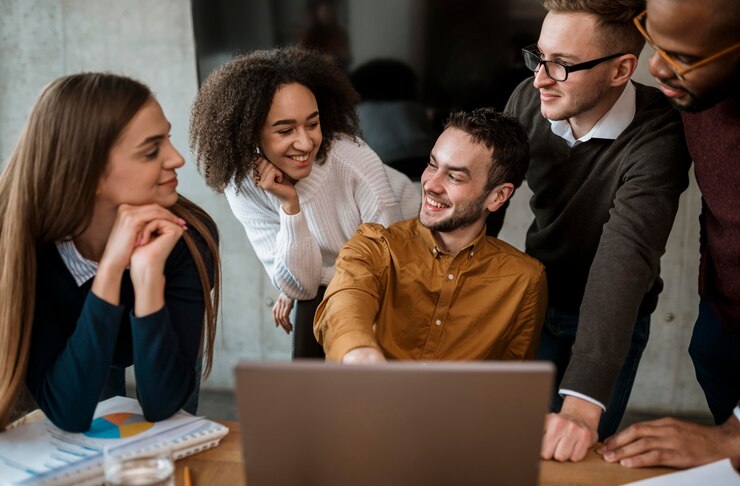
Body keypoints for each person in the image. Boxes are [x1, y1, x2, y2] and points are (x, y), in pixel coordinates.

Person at [503, 0, 692, 462]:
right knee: (514, 448)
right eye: (539, 56)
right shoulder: (530, 100)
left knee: (571, 455)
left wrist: (583, 405)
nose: (540, 78)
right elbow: (484, 199)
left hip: (614, 317)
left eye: (563, 65)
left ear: (621, 69)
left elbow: (625, 258)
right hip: (537, 296)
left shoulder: (660, 135)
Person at [0, 73, 220, 433]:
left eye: (169, 139)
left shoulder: (187, 238)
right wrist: (110, 272)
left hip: (145, 343)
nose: (178, 159)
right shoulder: (18, 246)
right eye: (151, 150)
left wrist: (148, 275)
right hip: (77, 349)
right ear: (90, 172)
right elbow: (69, 412)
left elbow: (165, 405)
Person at [189, 47, 409, 359]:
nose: (306, 142)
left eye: (312, 123)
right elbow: (301, 287)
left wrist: (306, 280)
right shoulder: (241, 186)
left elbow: (392, 271)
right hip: (345, 276)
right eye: (285, 129)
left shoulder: (354, 162)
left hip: (413, 258)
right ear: (250, 135)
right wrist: (290, 206)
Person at [599, 0, 740, 469]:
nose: (655, 65)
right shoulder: (694, 90)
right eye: (652, 37)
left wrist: (735, 441)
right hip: (722, 320)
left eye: (683, 55)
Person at [314, 108, 547, 364]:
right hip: (373, 399)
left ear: (498, 196)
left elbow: (513, 386)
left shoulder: (524, 280)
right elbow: (344, 303)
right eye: (432, 165)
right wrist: (357, 351)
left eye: (455, 176)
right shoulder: (375, 244)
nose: (431, 185)